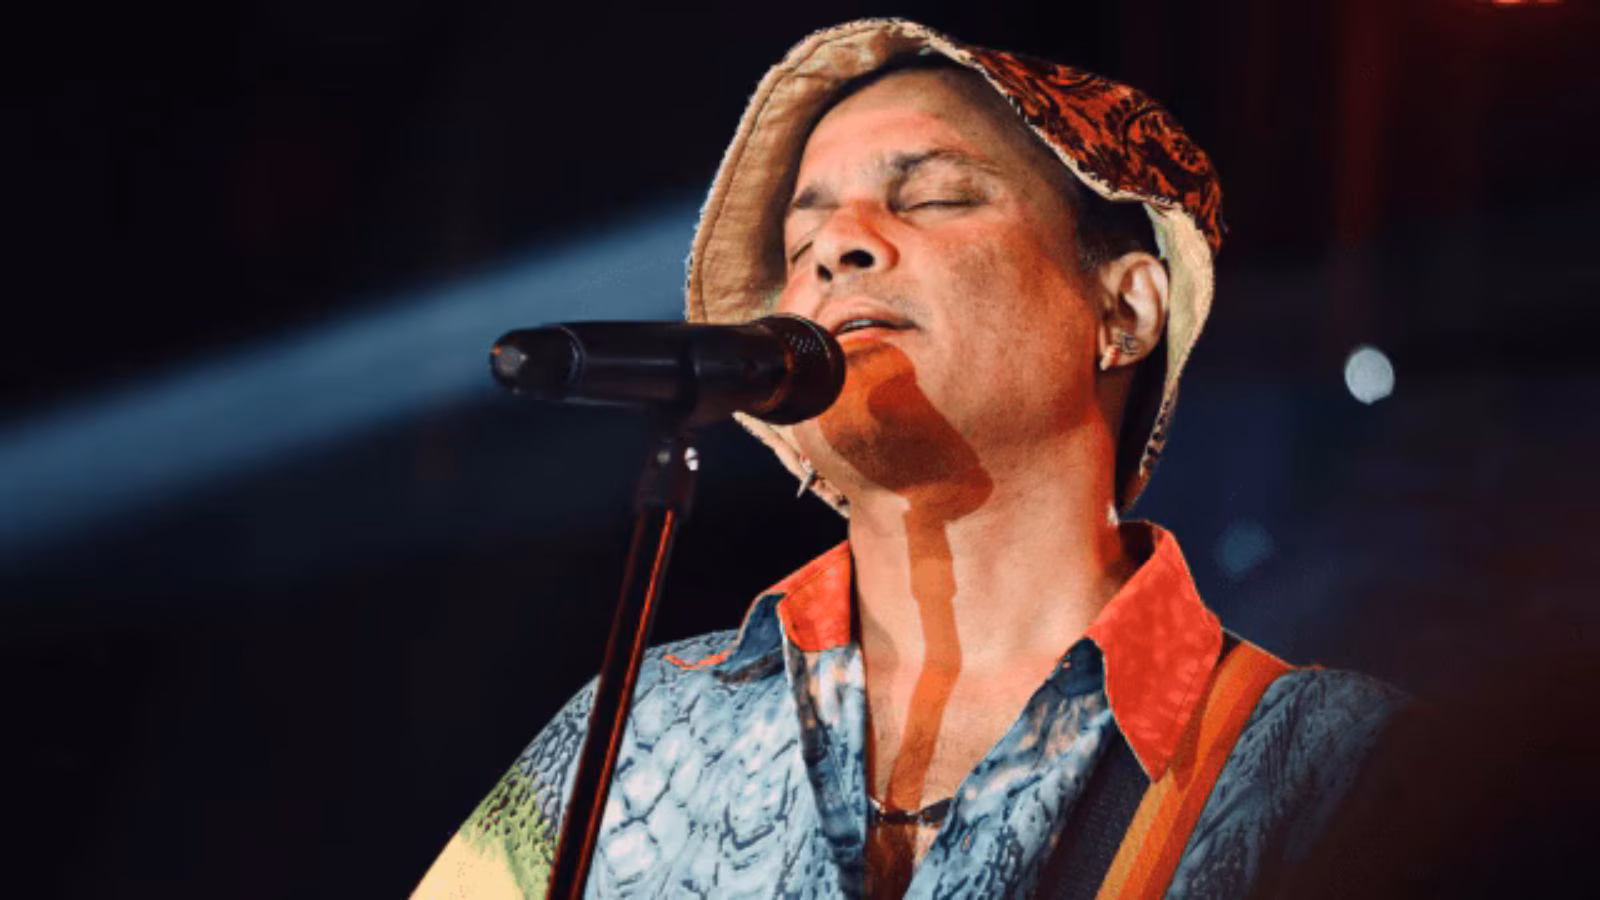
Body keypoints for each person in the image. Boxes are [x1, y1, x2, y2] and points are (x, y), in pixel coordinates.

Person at [415, 19, 1402, 899]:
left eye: (932, 195)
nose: (835, 246)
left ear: (1124, 310)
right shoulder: (632, 732)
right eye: (802, 239)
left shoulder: (1338, 772)